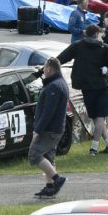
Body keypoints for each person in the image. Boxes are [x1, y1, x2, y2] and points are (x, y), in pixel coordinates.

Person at [58, 24, 108, 156]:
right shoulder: (103, 47)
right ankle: (95, 148)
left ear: (85, 33)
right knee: (100, 117)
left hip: (86, 86)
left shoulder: (78, 45)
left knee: (94, 116)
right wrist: (107, 67)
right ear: (96, 34)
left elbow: (62, 57)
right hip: (102, 85)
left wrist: (47, 67)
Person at [30, 57, 69, 198]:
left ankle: (57, 179)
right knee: (48, 156)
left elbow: (48, 112)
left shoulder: (54, 86)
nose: (43, 70)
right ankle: (50, 187)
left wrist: (38, 130)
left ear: (50, 69)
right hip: (55, 128)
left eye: (45, 68)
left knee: (34, 154)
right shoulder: (59, 83)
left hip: (50, 129)